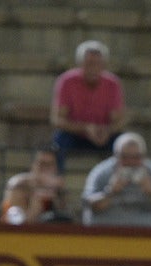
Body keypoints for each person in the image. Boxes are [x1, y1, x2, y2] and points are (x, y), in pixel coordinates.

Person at [48, 40, 125, 169]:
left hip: (103, 135)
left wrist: (106, 131)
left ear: (103, 65)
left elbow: (118, 120)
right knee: (58, 142)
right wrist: (85, 128)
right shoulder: (67, 81)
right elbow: (57, 119)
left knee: (124, 145)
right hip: (74, 134)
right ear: (80, 64)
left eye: (97, 64)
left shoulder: (113, 84)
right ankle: (56, 182)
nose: (93, 68)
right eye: (89, 64)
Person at [80, 132, 151, 228]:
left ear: (144, 156)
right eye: (125, 157)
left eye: (136, 157)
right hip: (108, 234)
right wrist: (110, 191)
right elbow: (90, 206)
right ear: (115, 156)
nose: (131, 162)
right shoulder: (101, 172)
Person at [0, 147, 69, 225]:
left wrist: (58, 198)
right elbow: (14, 223)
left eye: (49, 165)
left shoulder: (58, 186)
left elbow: (67, 219)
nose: (45, 169)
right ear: (33, 165)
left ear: (56, 168)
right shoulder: (19, 185)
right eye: (41, 164)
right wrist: (36, 204)